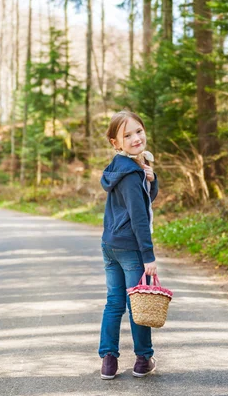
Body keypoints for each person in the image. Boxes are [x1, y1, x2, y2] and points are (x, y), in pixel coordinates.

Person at [98, 110, 159, 380]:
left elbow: (143, 200)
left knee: (114, 303)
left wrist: (151, 179)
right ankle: (143, 359)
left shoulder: (117, 168)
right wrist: (149, 255)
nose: (136, 138)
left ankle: (108, 360)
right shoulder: (132, 174)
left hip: (110, 244)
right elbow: (139, 218)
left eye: (139, 131)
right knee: (139, 304)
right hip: (131, 247)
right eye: (127, 135)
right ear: (115, 142)